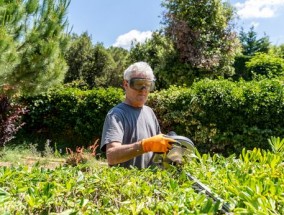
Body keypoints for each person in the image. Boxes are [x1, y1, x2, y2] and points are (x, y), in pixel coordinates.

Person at [100, 61, 175, 168]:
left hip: (150, 183)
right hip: (127, 183)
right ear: (126, 84)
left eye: (148, 85)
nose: (144, 90)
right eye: (138, 84)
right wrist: (144, 145)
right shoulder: (116, 115)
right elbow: (112, 156)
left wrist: (172, 152)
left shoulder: (149, 112)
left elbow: (157, 150)